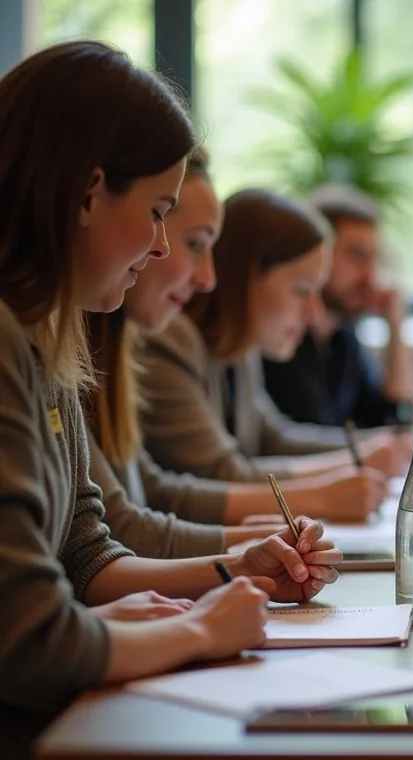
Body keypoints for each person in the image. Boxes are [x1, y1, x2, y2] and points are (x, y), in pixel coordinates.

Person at [0, 42, 341, 746]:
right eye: (158, 211)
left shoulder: (46, 343)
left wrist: (234, 568)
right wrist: (197, 630)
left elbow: (87, 551)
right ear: (88, 193)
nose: (161, 246)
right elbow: (31, 643)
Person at [84, 151, 370, 556]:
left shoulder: (223, 347)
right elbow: (187, 488)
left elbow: (268, 436)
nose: (208, 278)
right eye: (302, 291)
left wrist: (254, 548)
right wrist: (327, 492)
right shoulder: (165, 337)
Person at [138, 189, 405, 520]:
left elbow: (271, 436)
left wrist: (370, 448)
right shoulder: (171, 340)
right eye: (302, 291)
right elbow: (221, 473)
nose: (313, 313)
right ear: (246, 278)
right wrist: (345, 472)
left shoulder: (239, 347)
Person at [262, 184, 413, 429]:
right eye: (356, 256)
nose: (370, 275)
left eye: (374, 258)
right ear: (318, 254)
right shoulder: (278, 333)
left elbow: (392, 420)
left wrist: (396, 325)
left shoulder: (343, 336)